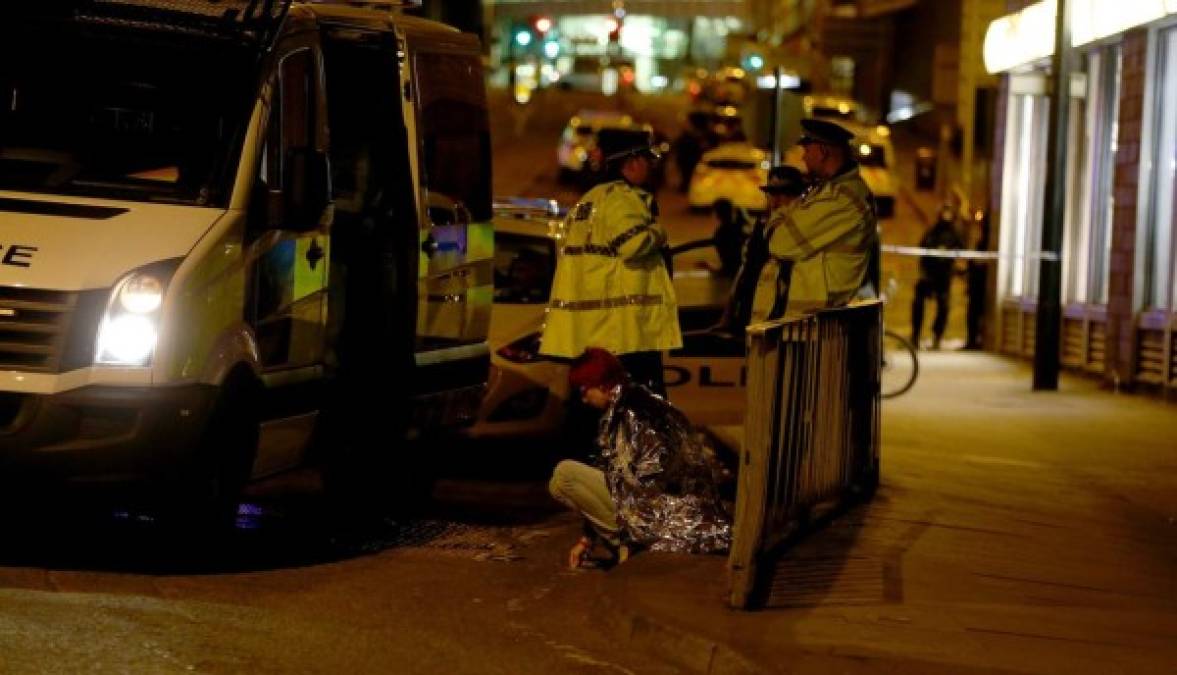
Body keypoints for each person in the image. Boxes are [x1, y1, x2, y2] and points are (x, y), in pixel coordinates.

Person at [548, 348, 732, 569]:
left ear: (602, 385)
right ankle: (624, 541)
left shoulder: (635, 412)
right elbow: (613, 474)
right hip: (667, 508)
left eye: (585, 390)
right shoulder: (626, 405)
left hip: (671, 514)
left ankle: (628, 543)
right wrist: (586, 539)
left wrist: (631, 527)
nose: (584, 399)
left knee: (565, 474)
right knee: (559, 484)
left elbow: (648, 479)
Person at [539, 139, 682, 397]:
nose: (651, 166)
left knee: (597, 410)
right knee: (636, 411)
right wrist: (659, 232)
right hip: (627, 334)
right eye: (647, 160)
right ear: (633, 163)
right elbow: (632, 244)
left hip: (594, 333)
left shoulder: (587, 202)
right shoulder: (622, 200)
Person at [750, 119, 879, 321]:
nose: (803, 157)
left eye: (807, 150)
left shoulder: (843, 198)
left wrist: (779, 221)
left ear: (823, 151)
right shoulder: (826, 191)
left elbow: (780, 243)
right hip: (800, 319)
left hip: (812, 324)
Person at [714, 165, 808, 336]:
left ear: (798, 195)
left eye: (785, 194)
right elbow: (746, 268)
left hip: (782, 316)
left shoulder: (801, 227)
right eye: (772, 193)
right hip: (752, 310)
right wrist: (727, 315)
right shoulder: (762, 225)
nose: (777, 200)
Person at [912, 204, 965, 350]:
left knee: (944, 306)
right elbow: (922, 250)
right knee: (918, 303)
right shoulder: (932, 231)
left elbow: (961, 251)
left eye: (948, 212)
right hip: (929, 275)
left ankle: (937, 335)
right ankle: (915, 335)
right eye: (944, 212)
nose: (946, 215)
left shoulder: (955, 233)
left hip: (944, 276)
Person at [712, 198, 754, 278]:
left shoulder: (721, 233)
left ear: (717, 214)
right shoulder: (738, 228)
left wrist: (710, 267)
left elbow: (729, 266)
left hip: (735, 274)